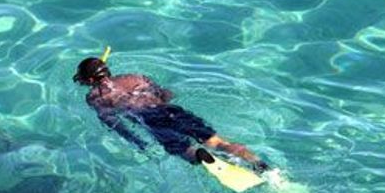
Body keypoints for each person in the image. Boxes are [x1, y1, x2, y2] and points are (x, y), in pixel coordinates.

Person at [73, 52, 268, 172]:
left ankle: (197, 154)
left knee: (183, 149)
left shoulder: (95, 97)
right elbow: (166, 94)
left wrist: (137, 141)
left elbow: (113, 123)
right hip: (169, 110)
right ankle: (259, 164)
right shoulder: (135, 77)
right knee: (217, 142)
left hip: (150, 120)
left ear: (90, 81)